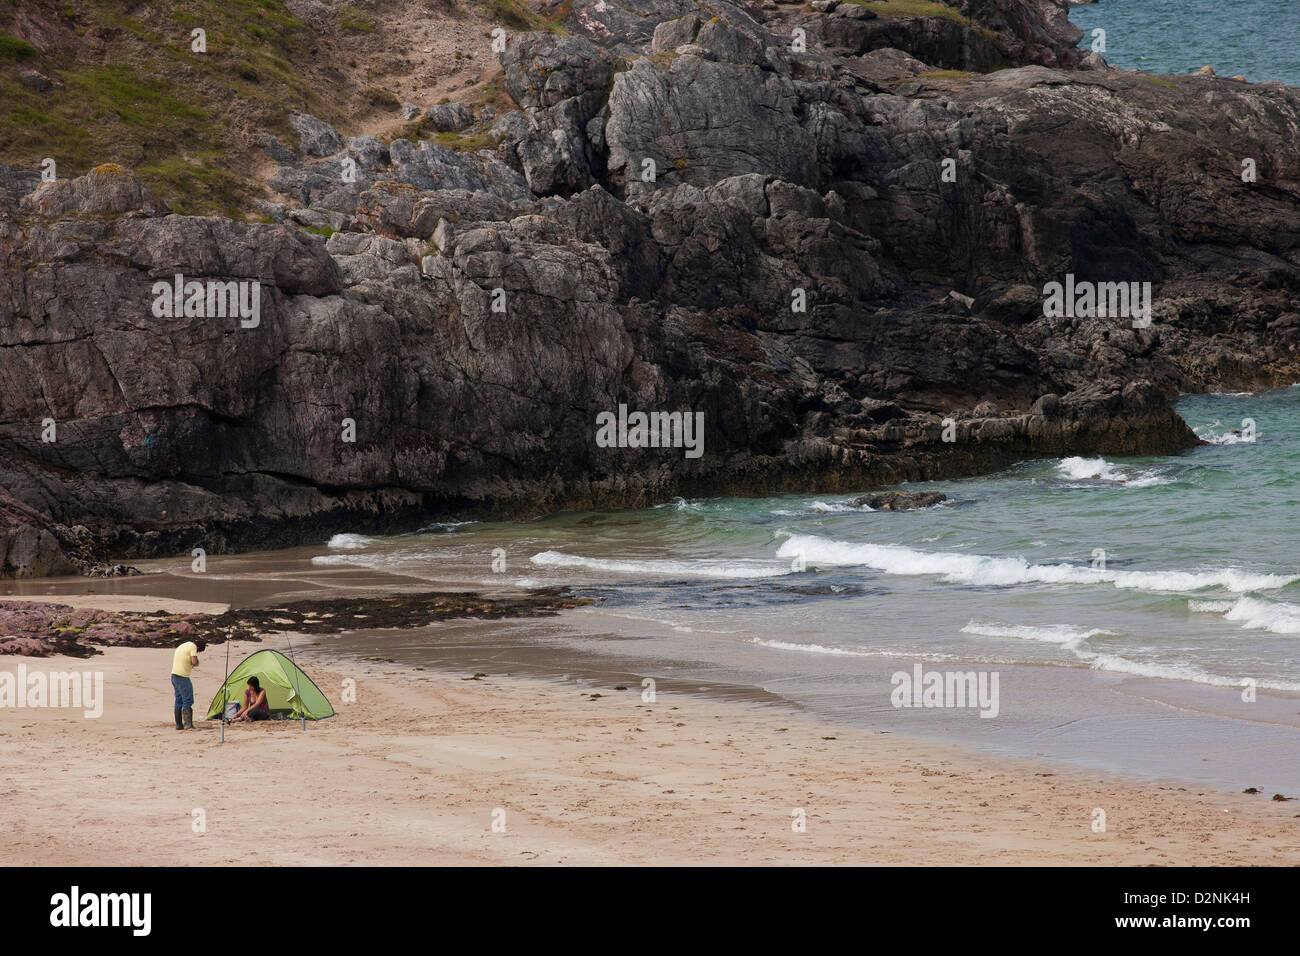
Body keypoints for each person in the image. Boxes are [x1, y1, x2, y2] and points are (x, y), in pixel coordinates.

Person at [170, 638, 206, 730]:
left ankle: (179, 724)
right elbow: (194, 661)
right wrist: (197, 662)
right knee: (187, 699)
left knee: (179, 700)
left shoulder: (184, 645)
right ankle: (188, 724)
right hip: (182, 676)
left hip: (174, 675)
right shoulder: (193, 647)